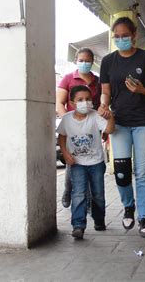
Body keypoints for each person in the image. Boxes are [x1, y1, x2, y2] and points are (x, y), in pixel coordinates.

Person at [98, 17, 145, 238]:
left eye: (125, 35)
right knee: (122, 173)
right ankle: (128, 206)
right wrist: (104, 105)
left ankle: (144, 218)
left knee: (141, 172)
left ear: (134, 35)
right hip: (119, 122)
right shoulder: (108, 61)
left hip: (143, 122)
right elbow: (105, 91)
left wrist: (140, 90)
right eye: (117, 36)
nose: (121, 39)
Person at [57, 85, 115, 239]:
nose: (85, 102)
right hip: (77, 164)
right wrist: (65, 153)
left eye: (88, 99)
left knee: (98, 194)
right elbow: (61, 136)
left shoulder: (95, 116)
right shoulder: (67, 119)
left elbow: (109, 130)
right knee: (79, 193)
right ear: (72, 102)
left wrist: (110, 117)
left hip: (96, 163)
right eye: (80, 100)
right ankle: (78, 225)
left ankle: (99, 219)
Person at [56, 48, 101, 208]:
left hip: (91, 128)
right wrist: (67, 122)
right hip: (72, 127)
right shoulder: (68, 79)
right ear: (76, 61)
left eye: (87, 60)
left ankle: (87, 200)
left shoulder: (98, 82)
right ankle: (68, 190)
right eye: (81, 60)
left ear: (93, 61)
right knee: (72, 161)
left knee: (90, 161)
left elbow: (101, 105)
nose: (84, 63)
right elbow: (60, 103)